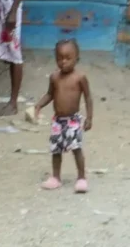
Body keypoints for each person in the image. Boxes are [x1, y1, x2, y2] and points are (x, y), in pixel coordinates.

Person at [32, 39, 93, 193]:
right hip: (57, 121)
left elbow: (88, 97)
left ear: (77, 58)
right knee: (56, 150)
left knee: (76, 148)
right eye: (60, 58)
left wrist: (89, 118)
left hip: (73, 120)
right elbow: (49, 94)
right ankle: (56, 177)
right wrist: (39, 105)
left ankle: (81, 178)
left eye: (68, 58)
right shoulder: (54, 77)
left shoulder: (80, 77)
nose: (63, 61)